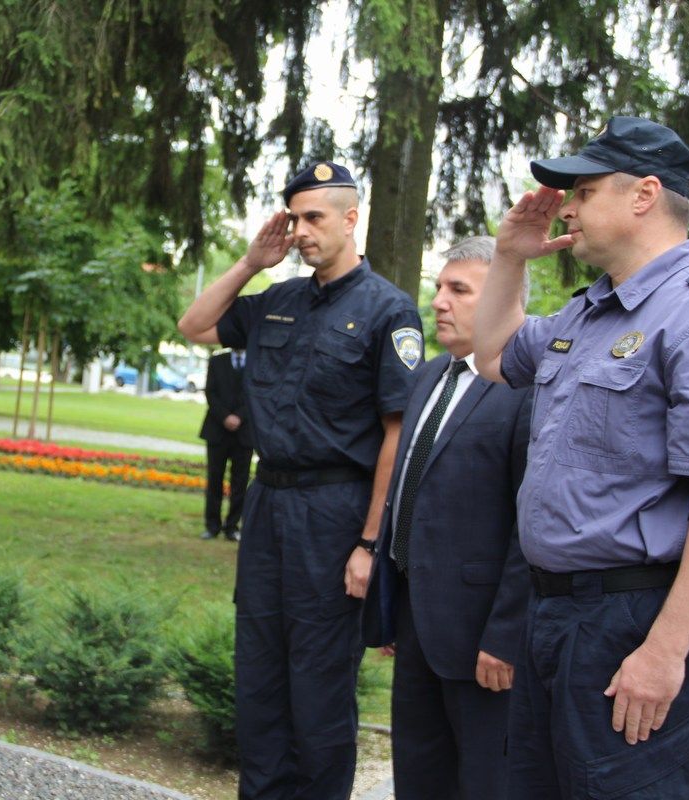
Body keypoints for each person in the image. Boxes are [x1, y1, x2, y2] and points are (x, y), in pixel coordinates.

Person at [473, 116, 689, 798]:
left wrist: (666, 652)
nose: (567, 208)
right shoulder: (587, 314)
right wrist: (511, 258)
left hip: (629, 623)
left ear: (642, 195)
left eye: (582, 190)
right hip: (554, 616)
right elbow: (491, 355)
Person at [177, 161, 423, 799]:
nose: (303, 231)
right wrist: (250, 264)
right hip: (268, 503)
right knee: (258, 679)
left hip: (334, 512)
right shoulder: (278, 301)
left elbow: (395, 435)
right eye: (295, 218)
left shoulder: (388, 310)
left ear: (351, 218)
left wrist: (370, 544)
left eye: (315, 218)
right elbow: (195, 326)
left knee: (318, 690)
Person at [362, 235, 532, 799]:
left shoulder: (524, 387)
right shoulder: (431, 375)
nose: (438, 301)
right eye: (439, 287)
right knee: (418, 775)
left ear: (503, 297)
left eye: (459, 290)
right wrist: (392, 601)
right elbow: (409, 492)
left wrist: (506, 635)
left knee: (483, 782)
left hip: (482, 638)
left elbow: (529, 524)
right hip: (416, 621)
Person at [198, 348, 253, 541]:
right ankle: (212, 526)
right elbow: (210, 392)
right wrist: (225, 417)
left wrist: (239, 416)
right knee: (214, 479)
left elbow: (257, 392)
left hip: (244, 432)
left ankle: (232, 527)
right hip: (217, 430)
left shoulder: (257, 360)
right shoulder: (217, 360)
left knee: (240, 481)